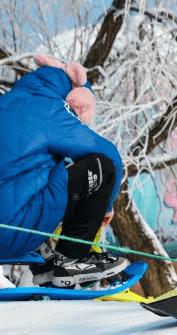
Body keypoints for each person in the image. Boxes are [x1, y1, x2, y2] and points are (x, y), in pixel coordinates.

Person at [0, 54, 128, 287]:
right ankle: (72, 258)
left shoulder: (7, 102)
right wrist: (106, 207)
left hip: (8, 225)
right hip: (12, 231)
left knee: (36, 172)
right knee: (102, 167)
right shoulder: (52, 109)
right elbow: (109, 154)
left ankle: (47, 263)